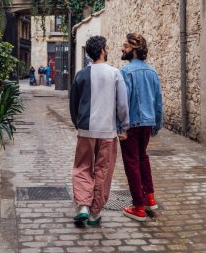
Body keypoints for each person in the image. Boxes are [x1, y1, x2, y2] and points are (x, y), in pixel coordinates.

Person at [70, 36, 129, 226]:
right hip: (108, 132)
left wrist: (78, 124)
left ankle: (83, 206)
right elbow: (122, 105)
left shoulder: (80, 75)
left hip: (86, 130)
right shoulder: (115, 73)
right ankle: (95, 212)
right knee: (103, 170)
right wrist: (124, 126)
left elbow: (73, 104)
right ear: (102, 50)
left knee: (82, 167)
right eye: (107, 46)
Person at [120, 32, 163, 222]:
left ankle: (138, 206)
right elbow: (159, 103)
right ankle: (150, 198)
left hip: (130, 125)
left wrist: (119, 127)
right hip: (147, 123)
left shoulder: (125, 71)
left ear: (134, 50)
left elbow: (123, 103)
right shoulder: (152, 72)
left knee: (131, 162)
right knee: (143, 158)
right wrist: (156, 125)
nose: (123, 49)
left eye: (126, 46)